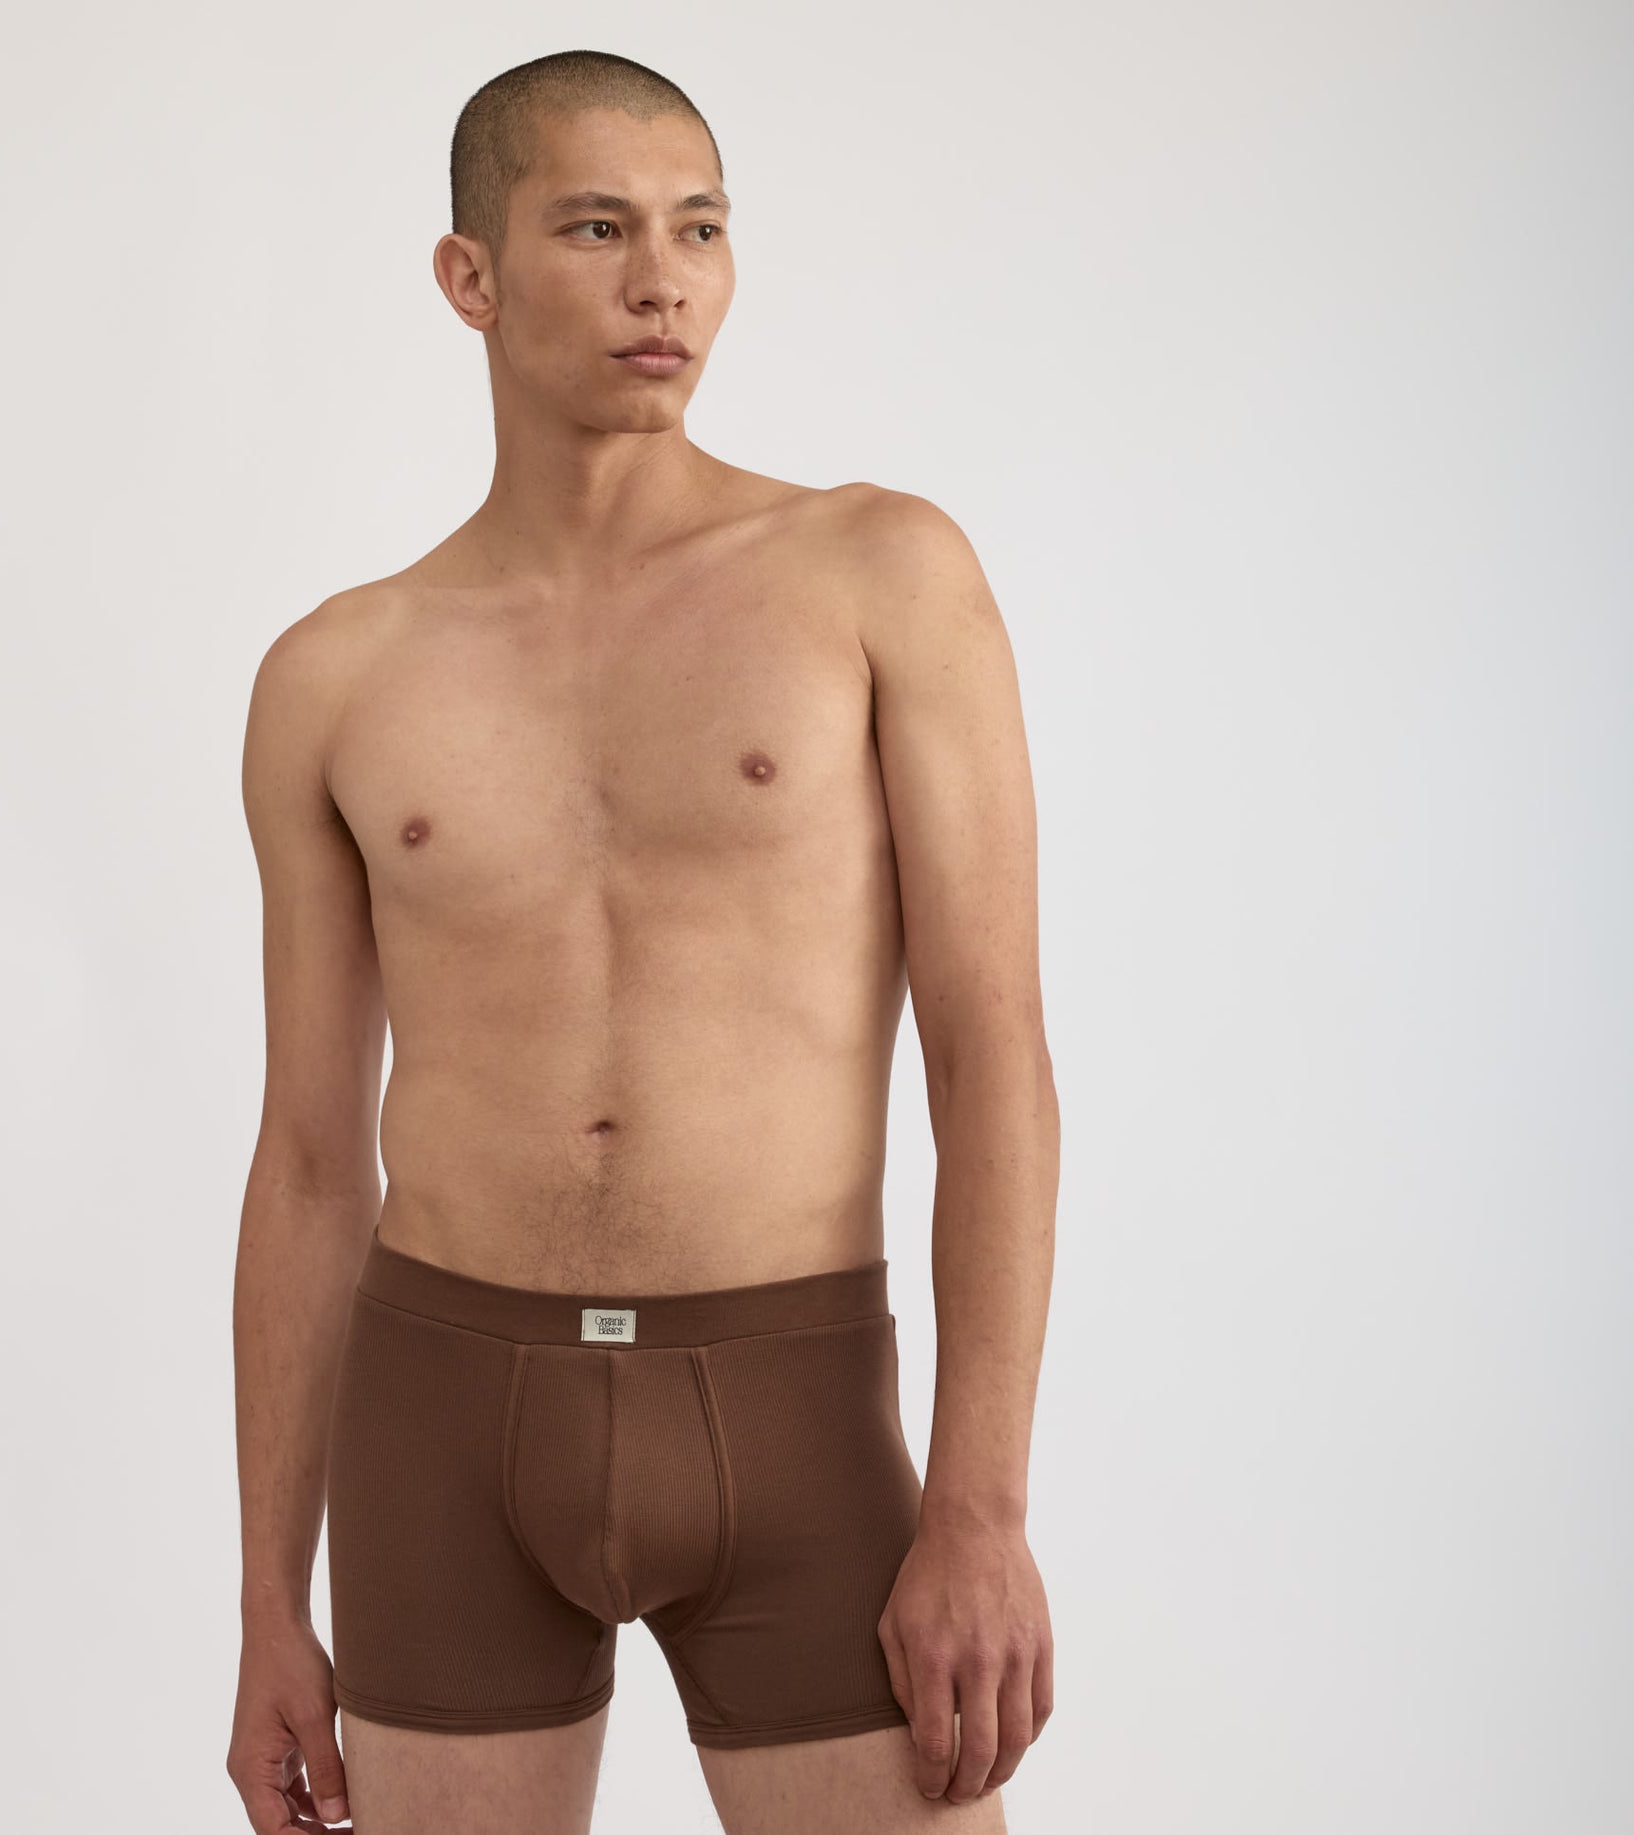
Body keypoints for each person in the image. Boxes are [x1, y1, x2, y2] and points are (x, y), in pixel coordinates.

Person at [224, 47, 1058, 1835]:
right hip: (442, 1426)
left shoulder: (875, 576)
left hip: (793, 1409)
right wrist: (266, 1606)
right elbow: (305, 1158)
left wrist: (981, 1508)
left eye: (699, 229)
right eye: (596, 229)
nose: (660, 282)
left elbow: (991, 1053)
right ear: (469, 275)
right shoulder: (335, 677)